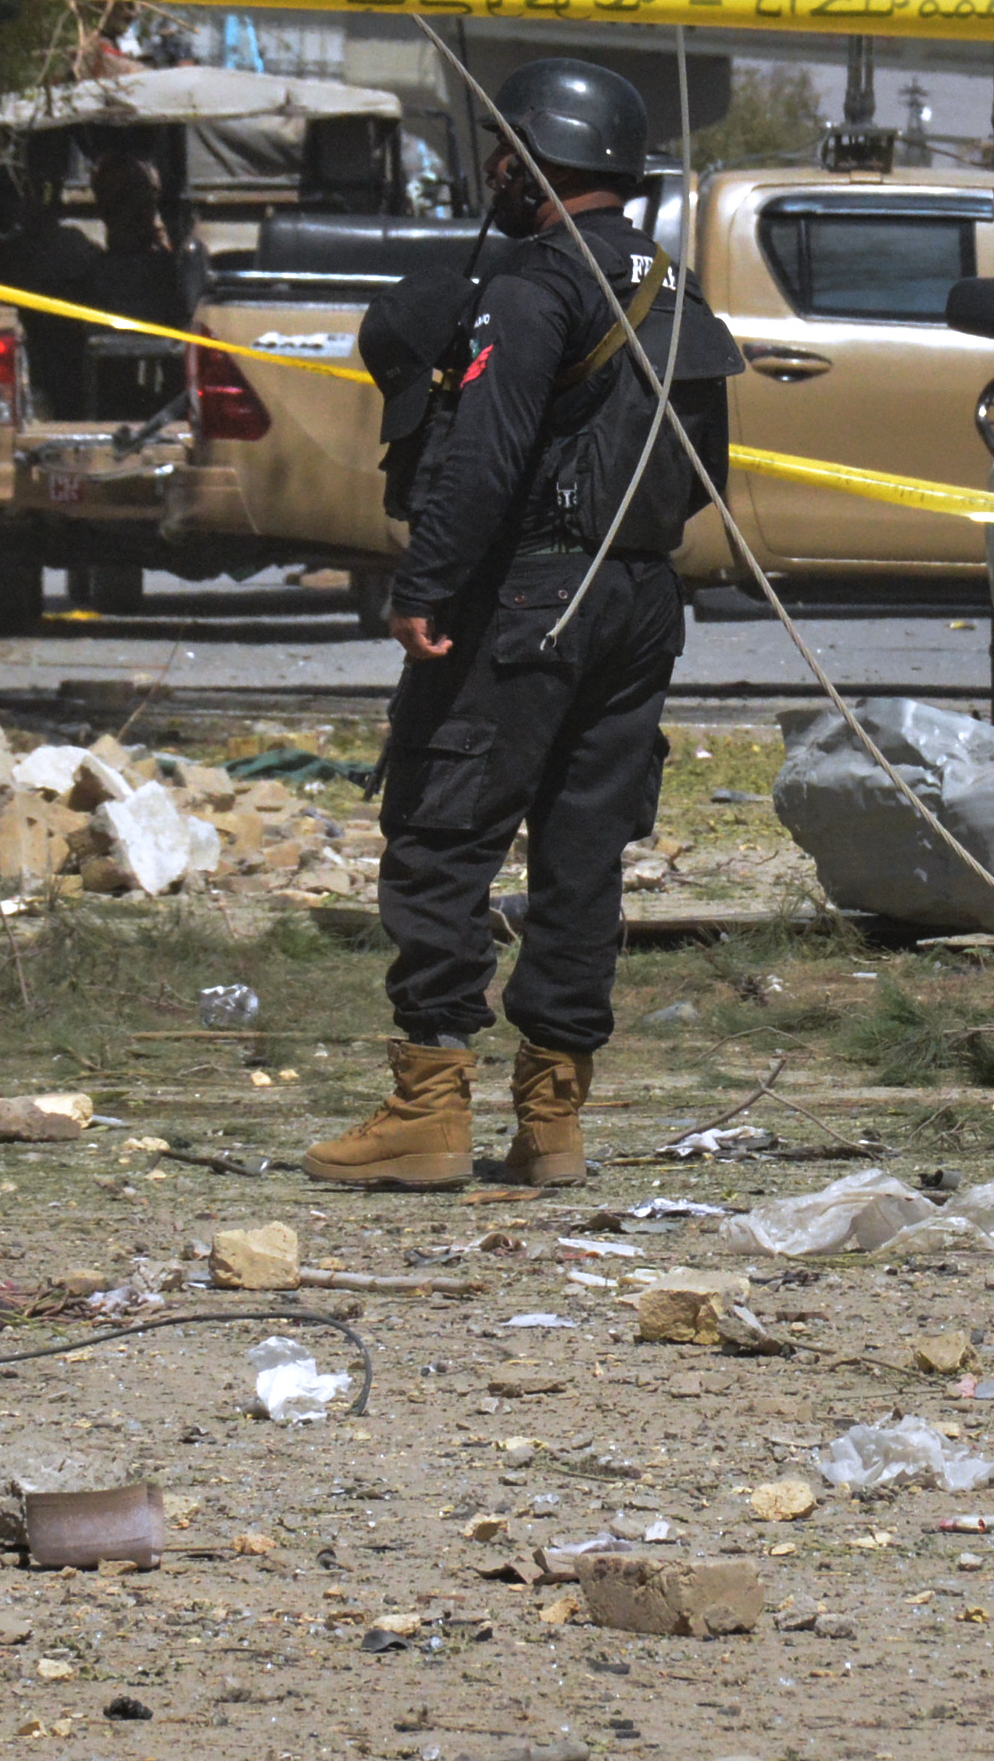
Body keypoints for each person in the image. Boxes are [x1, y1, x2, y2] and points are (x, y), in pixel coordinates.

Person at [312, 59, 738, 1194]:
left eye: (504, 154)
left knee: (443, 829)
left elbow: (486, 449)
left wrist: (424, 584)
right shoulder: (670, 281)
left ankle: (427, 1109)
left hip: (530, 596)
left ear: (534, 159)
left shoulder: (536, 280)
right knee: (583, 851)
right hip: (642, 600)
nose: (492, 172)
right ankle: (552, 1122)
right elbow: (706, 473)